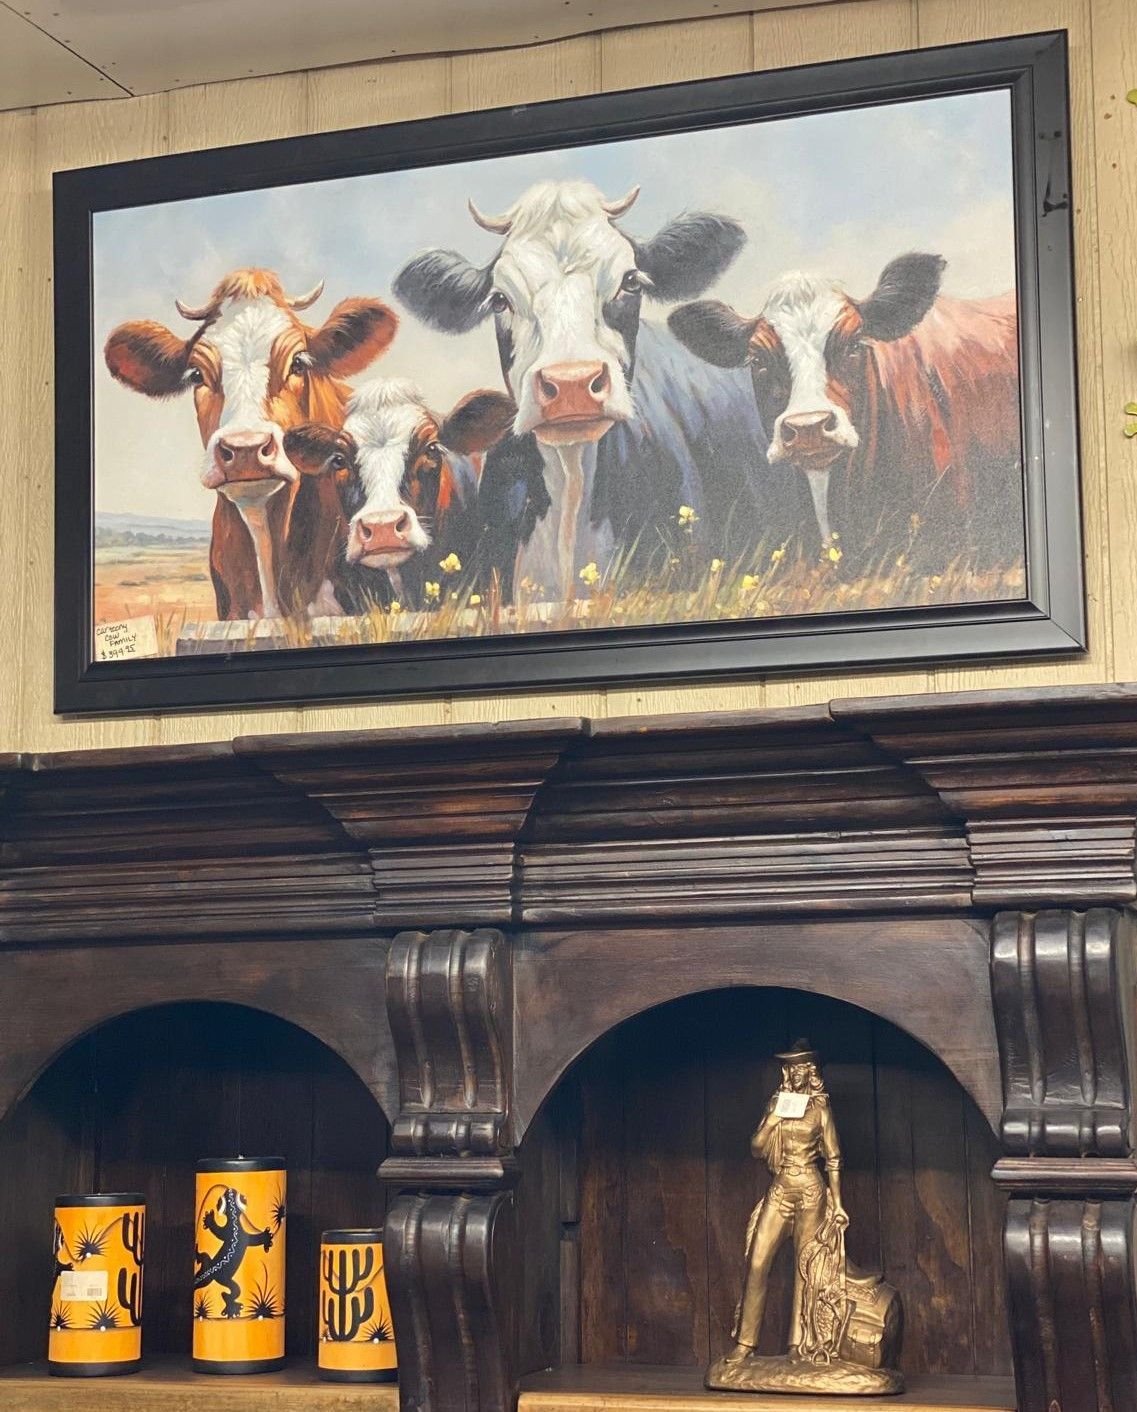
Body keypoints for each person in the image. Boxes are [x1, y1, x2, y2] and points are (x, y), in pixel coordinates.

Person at [726, 1040, 848, 1361]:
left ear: (810, 1072)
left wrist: (836, 1203)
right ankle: (746, 1342)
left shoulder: (821, 1109)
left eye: (800, 1067)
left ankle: (798, 1345)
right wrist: (773, 1121)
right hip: (780, 1188)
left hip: (809, 1189)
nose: (795, 1073)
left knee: (804, 1269)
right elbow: (756, 1147)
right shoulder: (777, 1103)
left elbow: (833, 1158)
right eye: (790, 1067)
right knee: (757, 1260)